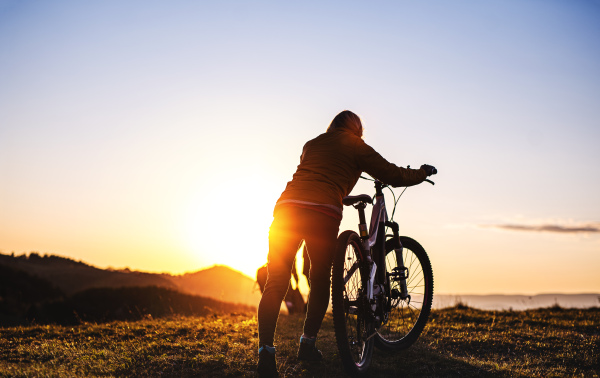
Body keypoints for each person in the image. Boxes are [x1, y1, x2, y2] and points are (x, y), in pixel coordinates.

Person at [256, 110, 436, 377]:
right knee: (319, 281)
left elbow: (319, 174)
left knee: (276, 281)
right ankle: (307, 344)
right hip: (322, 214)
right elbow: (391, 173)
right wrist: (421, 173)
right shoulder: (355, 144)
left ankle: (265, 354)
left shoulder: (312, 144)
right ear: (356, 130)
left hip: (286, 210)